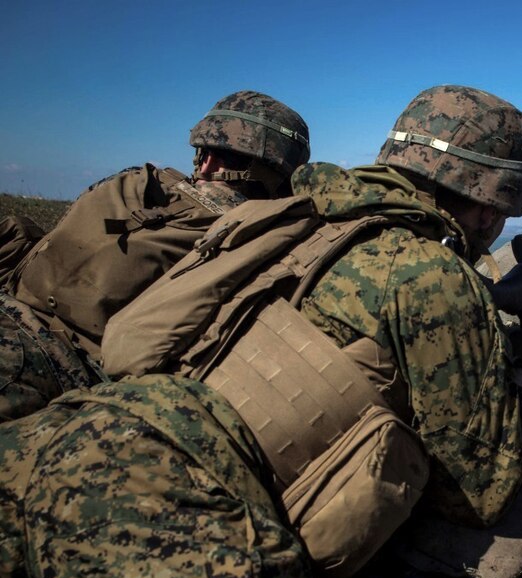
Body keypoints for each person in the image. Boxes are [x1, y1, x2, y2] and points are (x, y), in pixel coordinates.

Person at [0, 85, 522, 578]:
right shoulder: (428, 273)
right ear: (491, 205)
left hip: (60, 431)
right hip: (164, 503)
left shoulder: (293, 214)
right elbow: (483, 491)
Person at [0, 90, 310, 421]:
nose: (205, 161)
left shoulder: (136, 181)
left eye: (213, 153)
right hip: (53, 362)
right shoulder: (252, 231)